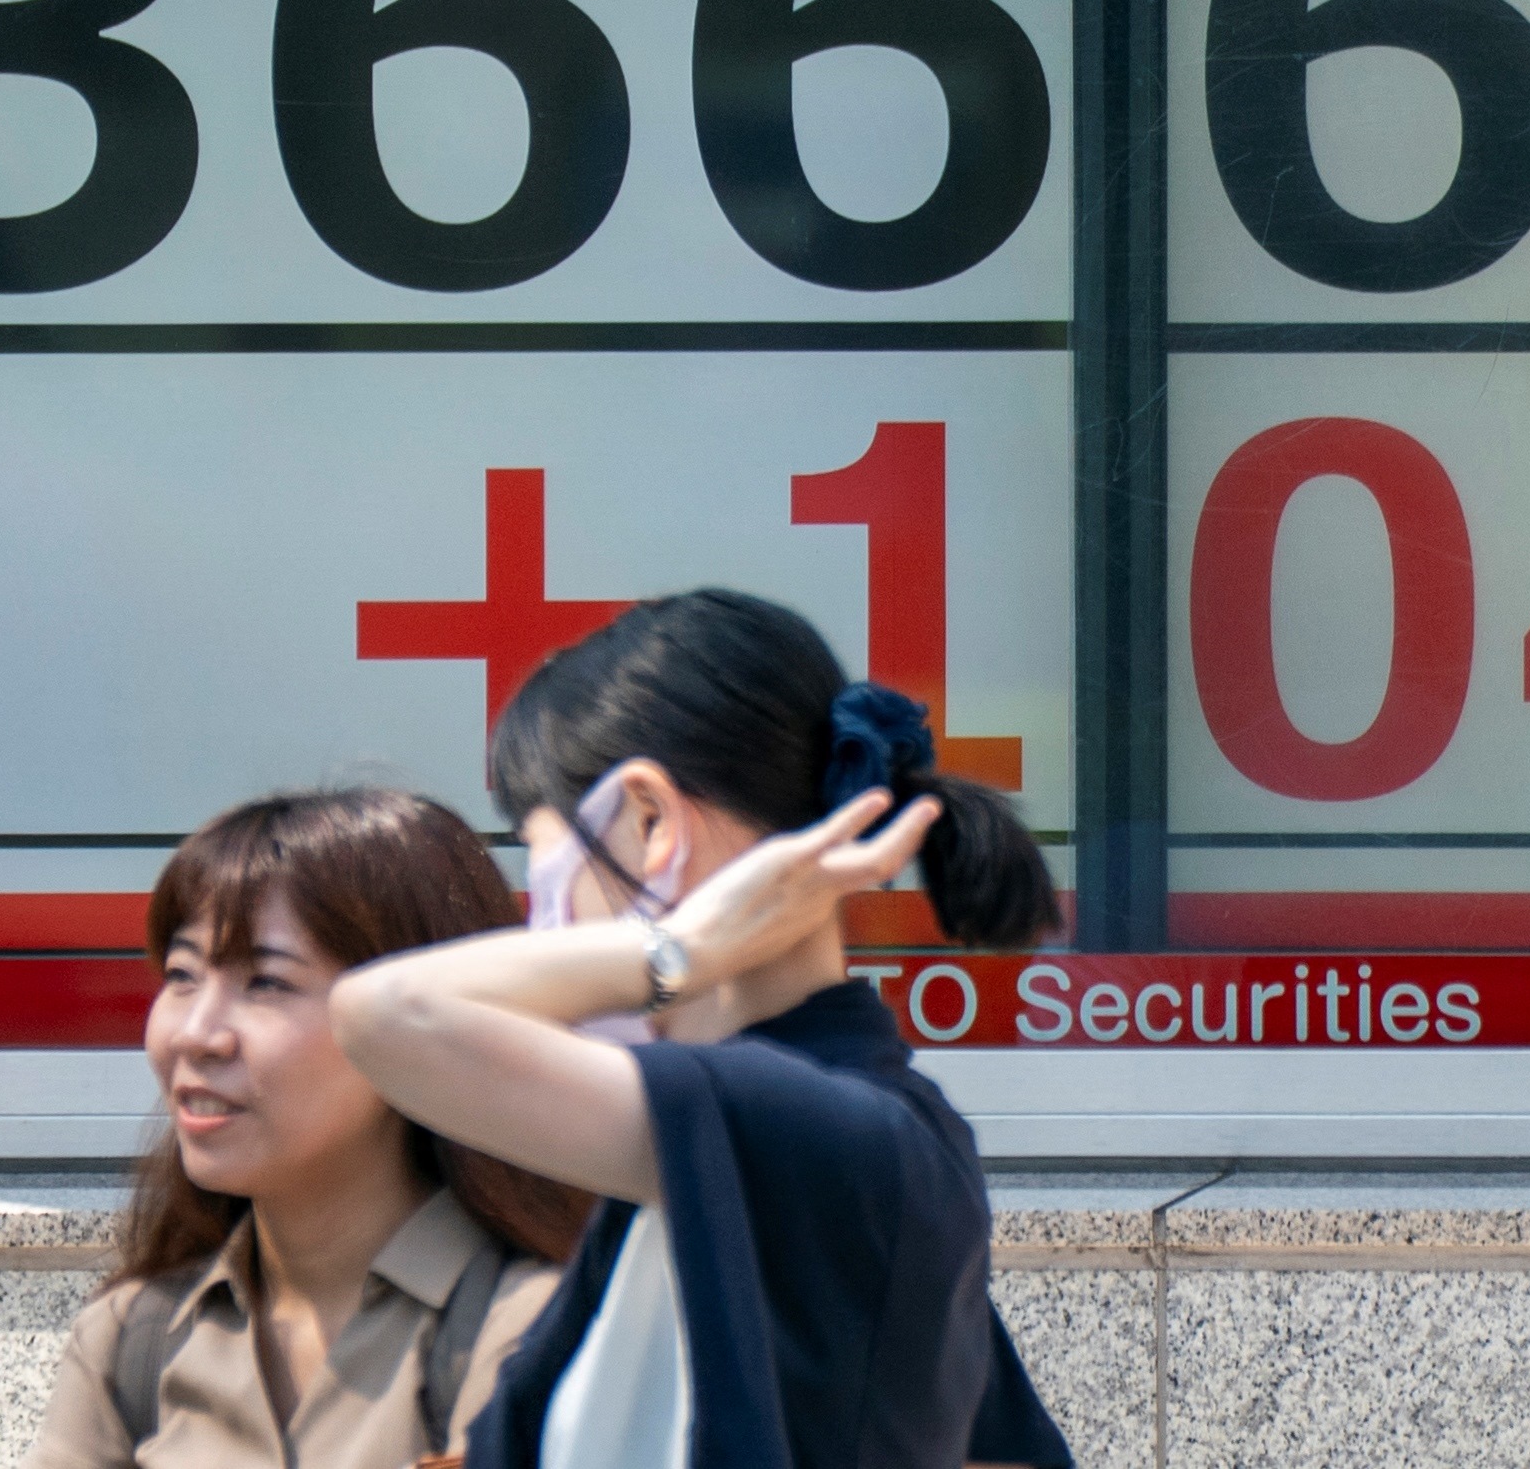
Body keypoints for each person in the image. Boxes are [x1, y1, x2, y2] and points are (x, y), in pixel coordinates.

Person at [328, 589, 1073, 1469]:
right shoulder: (810, 1126)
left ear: (652, 825)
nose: (544, 918)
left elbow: (383, 1015)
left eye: (547, 860)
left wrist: (675, 950)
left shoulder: (809, 1122)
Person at [26, 789, 597, 1469]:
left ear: (414, 1027)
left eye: (266, 983)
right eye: (182, 975)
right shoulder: (131, 1339)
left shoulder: (531, 1329)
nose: (196, 1033)